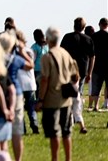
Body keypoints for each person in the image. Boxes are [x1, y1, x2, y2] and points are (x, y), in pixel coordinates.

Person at [35, 27, 79, 161]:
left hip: (51, 100)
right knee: (66, 132)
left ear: (47, 39)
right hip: (66, 100)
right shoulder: (65, 53)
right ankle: (68, 158)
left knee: (54, 133)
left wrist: (40, 100)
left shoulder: (47, 57)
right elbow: (76, 76)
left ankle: (55, 158)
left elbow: (44, 80)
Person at [0, 31, 34, 161]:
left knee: (2, 130)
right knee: (17, 131)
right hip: (16, 92)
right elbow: (30, 65)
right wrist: (22, 51)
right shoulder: (16, 59)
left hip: (1, 92)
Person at [60, 17, 94, 134]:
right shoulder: (88, 39)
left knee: (68, 94)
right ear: (84, 27)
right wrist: (90, 72)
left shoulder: (67, 37)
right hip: (82, 70)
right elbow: (92, 56)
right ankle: (76, 116)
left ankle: (71, 116)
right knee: (78, 93)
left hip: (68, 69)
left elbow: (61, 53)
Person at [15, 31, 39, 135]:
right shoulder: (30, 51)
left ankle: (22, 128)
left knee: (19, 108)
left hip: (19, 83)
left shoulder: (14, 52)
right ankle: (34, 124)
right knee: (31, 107)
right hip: (30, 83)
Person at [90, 18, 108, 111]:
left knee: (96, 86)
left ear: (99, 24)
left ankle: (96, 105)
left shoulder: (94, 36)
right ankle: (106, 103)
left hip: (97, 64)